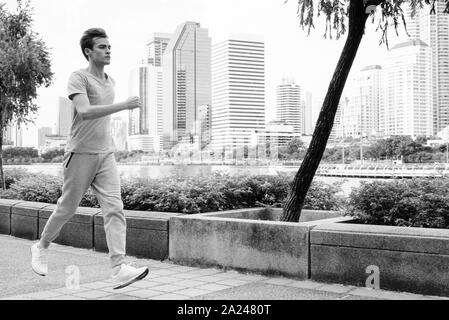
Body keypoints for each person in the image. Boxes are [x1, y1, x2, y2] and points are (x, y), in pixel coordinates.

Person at [30, 28, 149, 290]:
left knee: (115, 208)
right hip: (80, 154)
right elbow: (84, 112)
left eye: (109, 47)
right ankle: (41, 245)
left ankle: (118, 268)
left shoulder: (111, 81)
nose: (108, 51)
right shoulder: (78, 78)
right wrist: (124, 106)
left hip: (105, 155)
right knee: (67, 208)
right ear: (88, 51)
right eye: (102, 47)